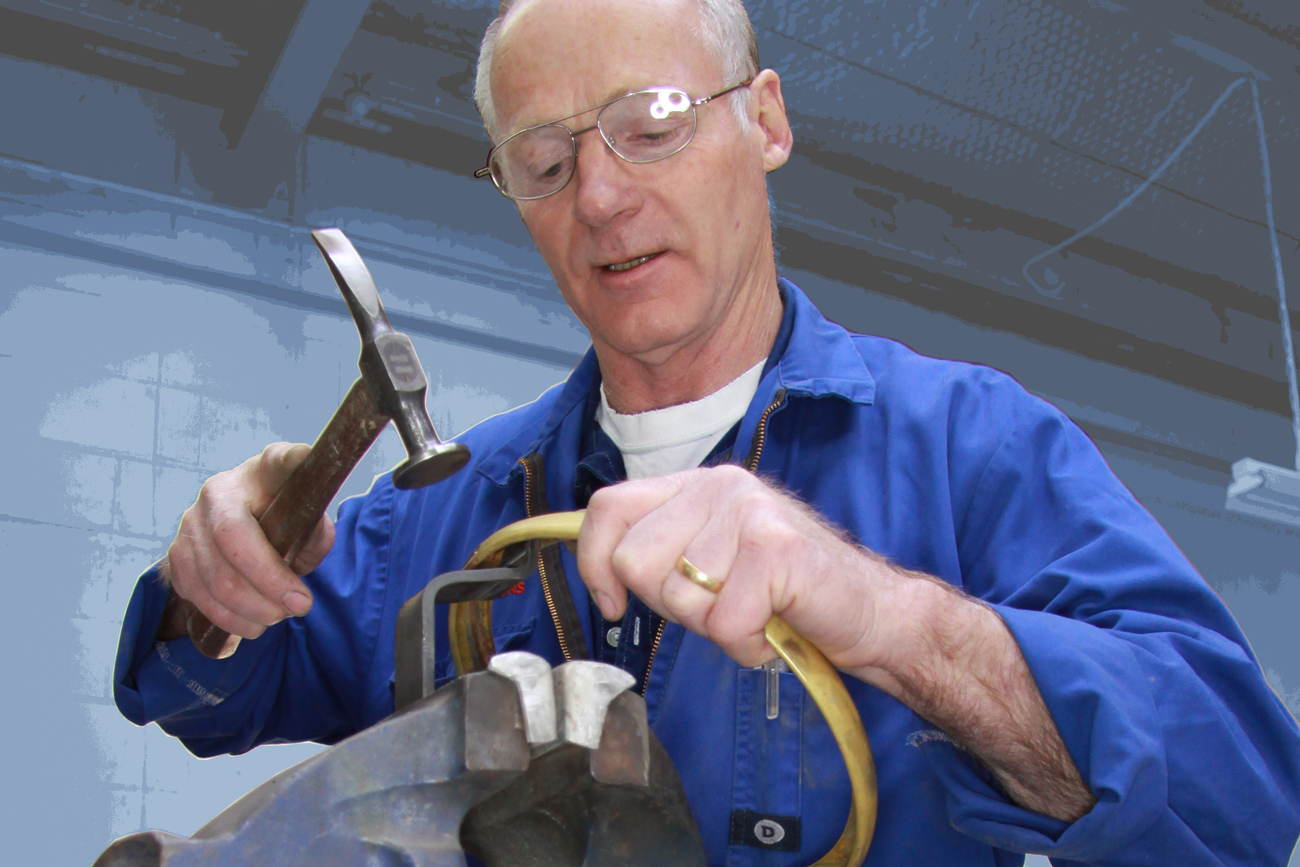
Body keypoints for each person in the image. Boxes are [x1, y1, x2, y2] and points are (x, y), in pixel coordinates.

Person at [113, 0, 1300, 863]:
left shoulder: (970, 445)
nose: (603, 196)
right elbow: (198, 695)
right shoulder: (456, 506)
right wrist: (213, 573)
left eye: (656, 121)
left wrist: (886, 617)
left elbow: (1238, 796)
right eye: (544, 159)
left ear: (766, 120)